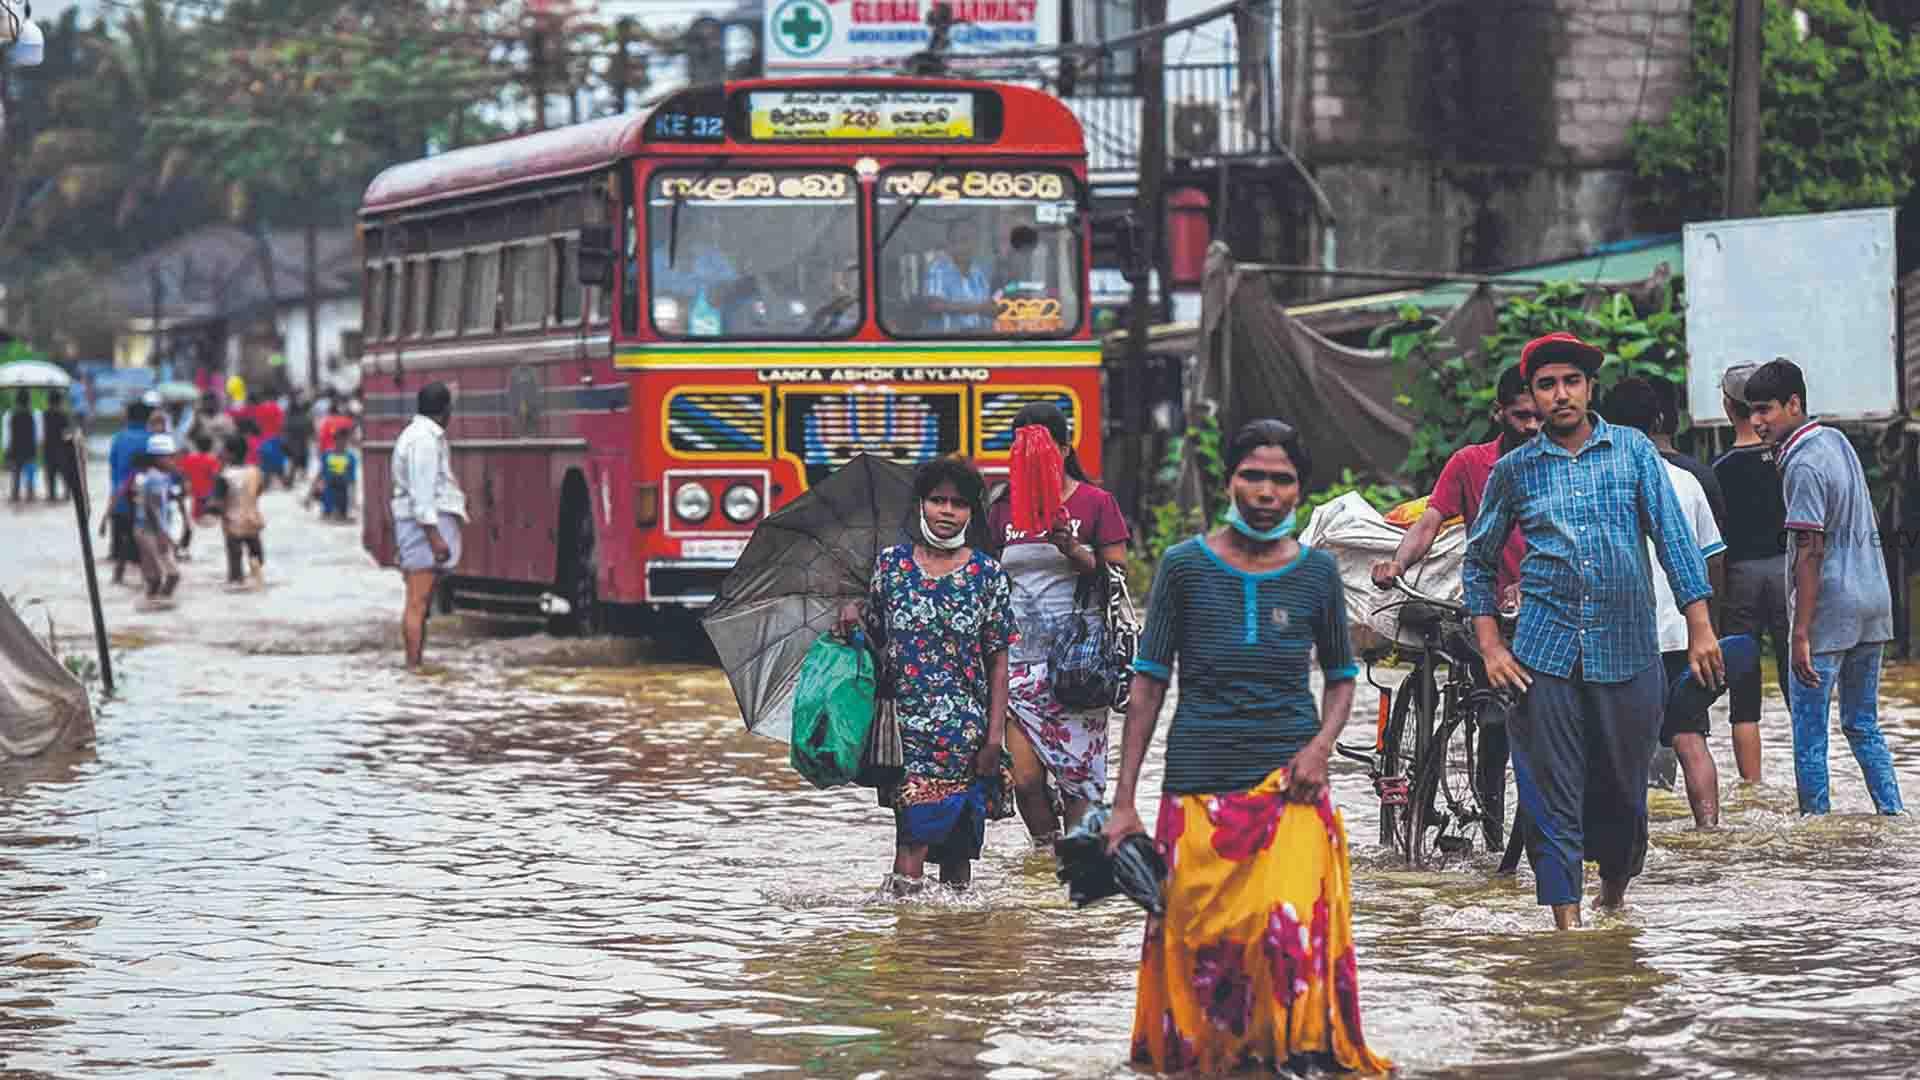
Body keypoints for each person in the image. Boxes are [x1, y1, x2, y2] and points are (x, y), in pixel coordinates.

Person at [1102, 419, 1388, 1074]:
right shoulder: (1181, 568)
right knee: (1206, 945)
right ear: (1230, 481)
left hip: (1291, 782)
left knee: (1280, 931)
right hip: (1198, 780)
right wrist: (1124, 804)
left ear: (1299, 491)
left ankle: (1286, 1054)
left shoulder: (1317, 574)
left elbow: (1342, 680)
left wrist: (1321, 749)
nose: (1266, 490)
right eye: (1252, 475)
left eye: (1282, 478)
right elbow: (1148, 686)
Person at [1467, 332, 1723, 930]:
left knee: (1624, 794)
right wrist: (1490, 647)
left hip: (1627, 651)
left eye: (1571, 382)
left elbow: (1674, 541)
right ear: (1530, 395)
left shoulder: (1633, 452)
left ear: (1589, 389)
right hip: (1543, 655)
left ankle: (1612, 897)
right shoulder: (1514, 472)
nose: (1560, 396)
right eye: (1547, 385)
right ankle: (1568, 928)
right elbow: (1478, 563)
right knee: (1550, 795)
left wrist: (1701, 627)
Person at [1369, 364, 1541, 849]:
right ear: (1500, 413)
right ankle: (1492, 832)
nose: (1531, 427)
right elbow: (1430, 522)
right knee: (1494, 721)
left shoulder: (1560, 463)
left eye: (1538, 418)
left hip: (1546, 609)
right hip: (1488, 614)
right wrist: (1397, 564)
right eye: (1521, 415)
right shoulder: (1470, 464)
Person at [838, 457, 1017, 895]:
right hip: (908, 735)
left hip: (967, 738)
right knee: (912, 843)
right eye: (938, 500)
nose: (946, 511)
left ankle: (951, 953)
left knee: (959, 856)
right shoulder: (891, 568)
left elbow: (998, 661)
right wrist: (851, 619)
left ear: (971, 512)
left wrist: (995, 740)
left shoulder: (987, 576)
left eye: (957, 503)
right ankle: (906, 946)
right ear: (921, 505)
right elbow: (876, 645)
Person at [1744, 358, 1904, 815]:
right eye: (1752, 411)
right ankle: (1893, 815)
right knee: (1863, 724)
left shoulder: (1802, 465)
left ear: (1794, 404)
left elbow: (1810, 551)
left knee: (1810, 735)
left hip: (1830, 609)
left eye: (1766, 410)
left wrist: (1800, 632)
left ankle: (1815, 830)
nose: (1757, 422)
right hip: (1873, 601)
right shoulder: (1833, 439)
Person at [984, 402, 1130, 845]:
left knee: (1079, 784)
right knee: (1025, 781)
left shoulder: (1095, 503)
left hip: (1077, 666)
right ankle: (1048, 860)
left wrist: (1072, 549)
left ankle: (1079, 871)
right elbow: (987, 579)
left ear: (1065, 449)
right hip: (1016, 665)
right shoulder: (1000, 508)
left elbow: (1118, 579)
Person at [1603, 377, 1727, 828]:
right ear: (1657, 421)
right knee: (1691, 738)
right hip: (1683, 634)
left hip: (1622, 638)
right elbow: (1713, 559)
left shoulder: (1601, 482)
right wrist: (1709, 625)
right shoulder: (1686, 482)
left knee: (1622, 747)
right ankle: (1708, 833)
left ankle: (1628, 842)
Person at [1712, 363, 1788, 783]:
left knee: (1744, 690)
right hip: (1786, 576)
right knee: (1800, 680)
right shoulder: (1786, 458)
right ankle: (1810, 781)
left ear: (1727, 406)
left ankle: (1753, 788)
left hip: (1739, 579)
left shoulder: (1719, 470)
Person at [392, 382, 467, 669]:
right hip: (423, 529)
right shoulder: (423, 440)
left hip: (419, 528)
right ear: (445, 410)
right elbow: (421, 494)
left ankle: (415, 664)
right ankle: (414, 665)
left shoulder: (421, 435)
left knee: (418, 601)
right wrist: (434, 536)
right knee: (417, 601)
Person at [104, 401, 154, 586]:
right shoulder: (153, 439)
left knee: (121, 550)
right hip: (147, 504)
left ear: (128, 417)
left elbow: (113, 471)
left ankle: (118, 580)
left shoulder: (119, 438)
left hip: (120, 502)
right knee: (146, 552)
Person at [207, 433, 266, 587]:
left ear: (229, 454)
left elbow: (217, 502)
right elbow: (258, 492)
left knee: (235, 560)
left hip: (232, 524)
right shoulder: (256, 472)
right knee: (256, 556)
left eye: (223, 451)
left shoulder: (224, 476)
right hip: (253, 521)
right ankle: (257, 579)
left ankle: (237, 581)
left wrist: (211, 509)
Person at [132, 433, 183, 608]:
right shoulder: (154, 478)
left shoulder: (160, 477)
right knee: (167, 575)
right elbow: (152, 508)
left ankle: (155, 603)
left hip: (152, 529)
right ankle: (154, 602)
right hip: (149, 530)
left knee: (161, 575)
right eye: (171, 457)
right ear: (158, 458)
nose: (174, 461)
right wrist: (162, 533)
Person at [922, 220, 999, 332]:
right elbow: (934, 304)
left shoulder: (979, 273)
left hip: (980, 341)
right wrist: (977, 308)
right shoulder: (938, 268)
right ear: (950, 244)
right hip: (948, 343)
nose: (966, 247)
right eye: (962, 240)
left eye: (971, 240)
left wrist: (996, 309)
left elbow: (989, 305)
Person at [5, 388, 41, 504]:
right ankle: (30, 495)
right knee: (30, 476)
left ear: (16, 400)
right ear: (29, 400)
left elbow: (7, 436)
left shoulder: (9, 414)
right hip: (30, 448)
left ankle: (15, 496)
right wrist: (38, 447)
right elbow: (39, 435)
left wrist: (7, 450)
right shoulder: (35, 414)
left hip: (15, 448)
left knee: (16, 476)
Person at [178, 434, 223, 522]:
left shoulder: (188, 459)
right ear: (211, 446)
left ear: (196, 446)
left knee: (193, 520)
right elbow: (216, 477)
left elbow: (183, 475)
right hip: (208, 496)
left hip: (191, 495)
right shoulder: (213, 460)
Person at [314, 436, 358, 521]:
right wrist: (310, 495)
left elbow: (353, 480)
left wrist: (353, 501)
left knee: (341, 514)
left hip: (342, 488)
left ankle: (338, 512)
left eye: (344, 442)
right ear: (334, 441)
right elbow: (320, 474)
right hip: (329, 488)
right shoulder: (327, 455)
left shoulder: (350, 457)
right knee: (328, 513)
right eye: (339, 441)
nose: (341, 444)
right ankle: (330, 511)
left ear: (346, 443)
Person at [41, 390, 72, 502]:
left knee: (50, 475)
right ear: (60, 401)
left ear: (48, 401)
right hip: (62, 449)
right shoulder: (63, 414)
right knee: (65, 474)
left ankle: (51, 495)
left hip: (48, 449)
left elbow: (41, 432)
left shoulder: (44, 414)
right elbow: (68, 433)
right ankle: (67, 494)